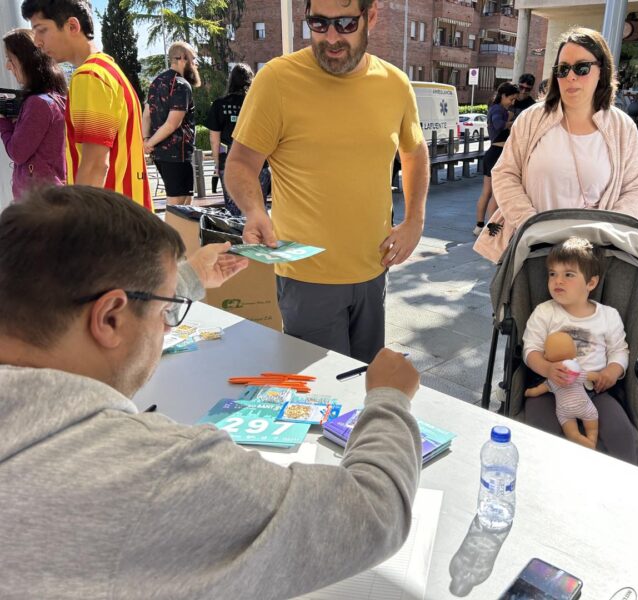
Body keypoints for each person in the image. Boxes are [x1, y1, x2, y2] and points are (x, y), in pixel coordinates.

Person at [0, 184, 423, 598]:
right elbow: (372, 514)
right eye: (168, 313)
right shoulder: (158, 471)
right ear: (110, 318)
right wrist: (389, 399)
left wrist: (183, 281)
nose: (168, 325)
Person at [224, 0, 430, 363]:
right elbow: (240, 162)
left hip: (373, 270)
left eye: (346, 23)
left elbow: (415, 153)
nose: (331, 37)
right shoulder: (277, 79)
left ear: (372, 16)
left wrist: (414, 221)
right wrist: (254, 209)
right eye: (318, 23)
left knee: (364, 388)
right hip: (307, 278)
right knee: (320, 399)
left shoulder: (395, 84)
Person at [473, 27, 638, 263]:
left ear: (602, 71)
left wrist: (602, 236)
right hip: (532, 251)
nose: (571, 76)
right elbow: (505, 173)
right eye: (563, 69)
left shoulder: (622, 127)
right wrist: (532, 225)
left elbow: (636, 188)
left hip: (594, 258)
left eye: (581, 68)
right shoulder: (532, 119)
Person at [21, 0, 151, 210]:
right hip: (130, 217)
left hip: (107, 223)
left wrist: (76, 224)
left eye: (42, 30)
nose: (37, 41)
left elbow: (95, 165)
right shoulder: (109, 70)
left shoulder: (88, 76)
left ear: (72, 26)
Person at [523, 237, 636, 463]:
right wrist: (546, 368)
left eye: (569, 274)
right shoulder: (545, 312)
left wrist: (612, 372)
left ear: (591, 283)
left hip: (596, 389)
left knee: (621, 434)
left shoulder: (608, 316)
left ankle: (628, 484)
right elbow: (531, 349)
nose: (558, 280)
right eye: (552, 273)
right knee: (538, 432)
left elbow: (619, 351)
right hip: (550, 389)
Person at [0, 28, 66, 200]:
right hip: (48, 196)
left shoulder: (38, 103)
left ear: (26, 60)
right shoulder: (54, 98)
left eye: (11, 59)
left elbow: (17, 152)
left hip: (37, 204)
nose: (8, 66)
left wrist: (3, 122)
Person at [206, 62, 271, 216]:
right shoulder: (258, 104)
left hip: (229, 163)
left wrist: (217, 164)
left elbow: (215, 140)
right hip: (258, 163)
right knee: (258, 209)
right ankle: (259, 240)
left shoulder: (219, 105)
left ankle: (236, 239)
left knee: (233, 212)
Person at [143, 41, 200, 206]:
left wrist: (146, 140)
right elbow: (172, 123)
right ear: (182, 59)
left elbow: (146, 114)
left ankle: (178, 232)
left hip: (161, 154)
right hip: (178, 154)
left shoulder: (156, 82)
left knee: (178, 203)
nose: (195, 64)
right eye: (193, 59)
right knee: (181, 204)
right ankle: (177, 233)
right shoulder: (181, 85)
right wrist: (149, 143)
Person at [472, 82, 518, 236]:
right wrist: (513, 122)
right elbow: (498, 125)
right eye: (510, 99)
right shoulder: (498, 109)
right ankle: (491, 227)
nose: (512, 102)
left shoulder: (495, 108)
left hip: (493, 153)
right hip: (497, 153)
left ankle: (480, 226)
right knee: (496, 193)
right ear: (503, 96)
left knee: (487, 192)